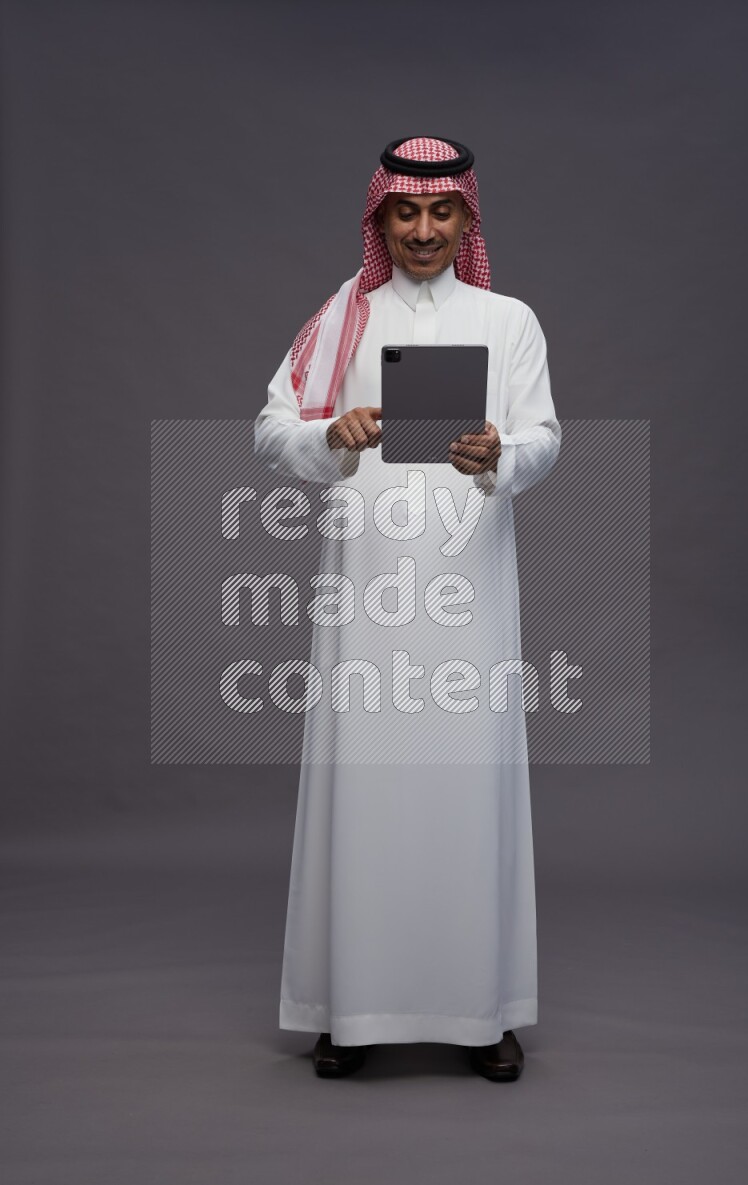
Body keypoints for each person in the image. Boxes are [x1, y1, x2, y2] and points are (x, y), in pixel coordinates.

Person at [254, 137, 561, 1082]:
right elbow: (271, 429)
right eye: (406, 213)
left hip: (469, 590)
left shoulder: (509, 322)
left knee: (471, 789)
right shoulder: (342, 318)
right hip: (366, 595)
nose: (424, 232)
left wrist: (497, 456)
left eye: (442, 215)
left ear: (468, 220)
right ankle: (351, 1009)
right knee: (366, 785)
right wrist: (331, 438)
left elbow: (546, 438)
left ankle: (484, 1012)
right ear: (381, 218)